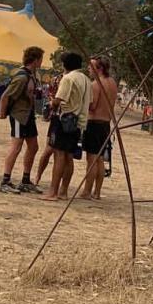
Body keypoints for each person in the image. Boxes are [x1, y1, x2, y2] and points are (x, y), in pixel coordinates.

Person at [42, 52, 91, 201]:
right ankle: (63, 191)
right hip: (79, 122)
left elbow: (58, 100)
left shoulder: (68, 78)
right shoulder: (86, 79)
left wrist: (51, 103)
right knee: (69, 156)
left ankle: (53, 192)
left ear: (65, 64)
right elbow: (90, 101)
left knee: (59, 155)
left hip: (65, 120)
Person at [0, 46, 45, 194]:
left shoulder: (32, 75)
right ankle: (5, 181)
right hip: (19, 115)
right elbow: (5, 96)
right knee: (16, 147)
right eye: (41, 59)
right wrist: (2, 113)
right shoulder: (22, 77)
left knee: (33, 147)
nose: (42, 62)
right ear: (35, 60)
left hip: (28, 115)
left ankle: (25, 180)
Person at [80, 55, 118, 200]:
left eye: (91, 66)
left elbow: (93, 106)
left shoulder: (96, 84)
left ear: (99, 68)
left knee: (92, 159)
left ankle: (87, 191)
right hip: (105, 124)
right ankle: (97, 192)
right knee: (100, 159)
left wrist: (82, 102)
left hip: (94, 123)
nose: (88, 69)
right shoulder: (112, 83)